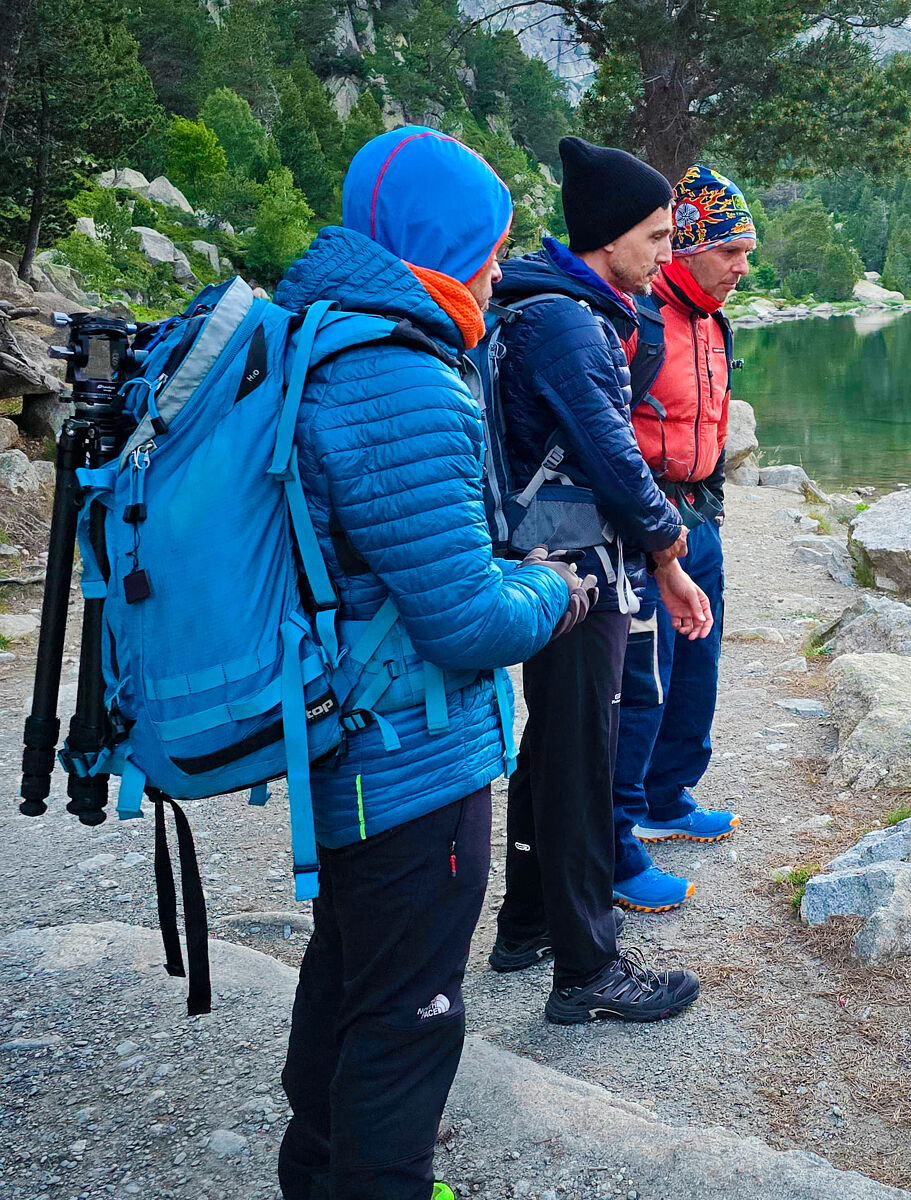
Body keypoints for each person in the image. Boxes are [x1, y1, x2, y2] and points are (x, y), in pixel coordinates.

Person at [274, 127, 590, 1200]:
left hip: (345, 742)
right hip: (407, 758)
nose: (499, 268)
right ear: (440, 243)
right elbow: (463, 624)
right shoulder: (401, 376)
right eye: (488, 246)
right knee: (412, 1006)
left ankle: (315, 1170)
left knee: (351, 968)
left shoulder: (323, 337)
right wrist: (552, 588)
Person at [488, 136, 712, 1022]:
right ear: (610, 236)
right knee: (582, 758)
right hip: (577, 572)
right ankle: (588, 971)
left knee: (551, 749)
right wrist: (668, 550)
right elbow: (613, 458)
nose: (667, 254)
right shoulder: (571, 323)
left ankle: (527, 922)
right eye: (657, 237)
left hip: (554, 559)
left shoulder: (543, 308)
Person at [610, 164, 756, 911]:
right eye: (730, 250)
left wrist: (717, 506)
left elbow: (715, 420)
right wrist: (651, 531)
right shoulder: (637, 317)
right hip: (644, 528)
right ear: (688, 247)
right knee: (644, 680)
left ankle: (668, 796)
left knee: (698, 665)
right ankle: (620, 829)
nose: (742, 266)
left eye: (746, 251)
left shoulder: (713, 321)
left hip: (700, 518)